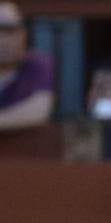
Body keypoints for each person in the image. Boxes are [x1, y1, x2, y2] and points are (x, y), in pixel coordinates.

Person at [0, 2, 53, 132]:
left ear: (23, 34)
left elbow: (38, 110)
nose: (3, 39)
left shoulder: (37, 64)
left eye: (10, 30)